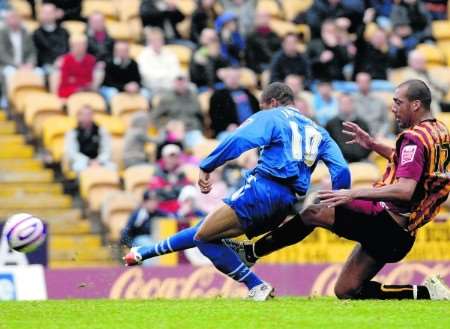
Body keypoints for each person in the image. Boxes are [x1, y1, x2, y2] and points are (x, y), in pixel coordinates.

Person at [124, 82, 351, 301]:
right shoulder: (320, 131)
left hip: (261, 190)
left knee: (203, 237)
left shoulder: (272, 115)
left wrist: (207, 165)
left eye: (262, 107)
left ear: (272, 102)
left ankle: (256, 285)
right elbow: (340, 168)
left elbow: (240, 138)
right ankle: (144, 252)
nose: (261, 111)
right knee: (207, 230)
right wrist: (340, 203)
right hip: (285, 204)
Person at [226, 79, 450, 301]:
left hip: (387, 223)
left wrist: (353, 192)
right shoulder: (438, 131)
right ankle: (428, 293)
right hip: (401, 235)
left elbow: (405, 190)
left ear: (416, 104)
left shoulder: (413, 138)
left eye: (398, 102)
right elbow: (412, 165)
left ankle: (251, 252)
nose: (393, 108)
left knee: (315, 211)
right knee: (346, 290)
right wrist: (372, 144)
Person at [208, 66, 260, 138]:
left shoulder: (247, 92)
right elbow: (215, 116)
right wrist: (227, 126)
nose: (233, 80)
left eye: (235, 77)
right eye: (230, 77)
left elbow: (257, 110)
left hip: (250, 127)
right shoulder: (218, 95)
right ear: (225, 78)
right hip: (228, 130)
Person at [64, 105, 115, 174]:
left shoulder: (101, 130)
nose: (87, 117)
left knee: (112, 167)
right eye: (84, 114)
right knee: (79, 167)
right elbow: (72, 152)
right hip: (82, 161)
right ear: (79, 116)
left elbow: (107, 149)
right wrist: (88, 161)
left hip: (99, 160)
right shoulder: (73, 132)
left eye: (89, 114)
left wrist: (99, 160)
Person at [326, 93, 371, 163]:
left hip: (361, 160)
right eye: (343, 103)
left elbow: (368, 144)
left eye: (348, 103)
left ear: (353, 105)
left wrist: (361, 156)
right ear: (339, 105)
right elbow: (327, 145)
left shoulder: (362, 123)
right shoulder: (331, 124)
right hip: (339, 161)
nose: (346, 106)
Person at [32, 3, 69, 71]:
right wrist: (52, 62)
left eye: (50, 13)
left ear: (55, 14)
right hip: (45, 65)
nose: (47, 15)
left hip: (63, 63)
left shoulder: (64, 32)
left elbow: (67, 49)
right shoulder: (36, 34)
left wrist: (62, 59)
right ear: (40, 15)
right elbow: (38, 54)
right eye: (45, 13)